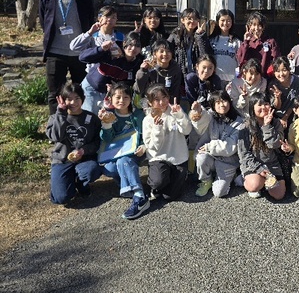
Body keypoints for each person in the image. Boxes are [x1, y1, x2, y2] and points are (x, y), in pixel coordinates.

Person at [39, 0, 95, 114]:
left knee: (81, 90)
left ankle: (80, 121)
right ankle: (57, 122)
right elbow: (45, 23)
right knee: (55, 92)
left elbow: (89, 22)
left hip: (80, 53)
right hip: (55, 52)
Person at [98, 82, 148, 220]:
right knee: (109, 168)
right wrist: (106, 124)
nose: (122, 100)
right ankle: (126, 185)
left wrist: (144, 146)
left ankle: (139, 196)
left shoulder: (138, 114)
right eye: (118, 97)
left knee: (124, 161)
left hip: (137, 151)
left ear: (131, 99)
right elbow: (107, 139)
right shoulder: (110, 116)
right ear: (111, 99)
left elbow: (147, 133)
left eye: (126, 97)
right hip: (117, 152)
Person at [47, 82, 102, 204]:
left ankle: (80, 183)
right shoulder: (55, 117)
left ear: (83, 98)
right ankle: (66, 183)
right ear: (62, 100)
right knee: (61, 198)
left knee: (93, 169)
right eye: (69, 99)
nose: (73, 102)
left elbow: (97, 142)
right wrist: (61, 113)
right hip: (62, 160)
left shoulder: (92, 118)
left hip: (84, 160)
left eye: (77, 98)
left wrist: (84, 151)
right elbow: (56, 137)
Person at [190, 90, 244, 198]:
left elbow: (231, 146)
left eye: (224, 101)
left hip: (227, 161)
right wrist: (199, 113)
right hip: (211, 156)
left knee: (219, 193)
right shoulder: (210, 115)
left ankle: (232, 174)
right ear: (213, 105)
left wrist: (209, 146)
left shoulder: (239, 122)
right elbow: (201, 125)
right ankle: (206, 180)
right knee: (201, 158)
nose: (222, 105)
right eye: (218, 102)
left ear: (229, 102)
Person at [142, 85, 191, 201]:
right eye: (156, 99)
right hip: (158, 157)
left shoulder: (176, 111)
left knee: (170, 196)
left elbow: (187, 131)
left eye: (164, 97)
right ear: (150, 103)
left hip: (178, 157)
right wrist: (157, 128)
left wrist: (180, 115)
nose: (162, 102)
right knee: (158, 183)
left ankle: (171, 178)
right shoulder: (148, 120)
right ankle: (154, 184)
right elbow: (153, 147)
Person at [79, 31, 143, 114]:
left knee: (108, 118)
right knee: (90, 115)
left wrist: (115, 87)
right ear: (124, 43)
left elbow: (130, 82)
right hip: (92, 88)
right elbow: (82, 58)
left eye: (137, 46)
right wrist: (101, 49)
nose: (133, 48)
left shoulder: (138, 62)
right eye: (130, 44)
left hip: (112, 94)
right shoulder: (113, 49)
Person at [237, 92, 286, 200]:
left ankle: (263, 183)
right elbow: (244, 154)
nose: (263, 107)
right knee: (254, 185)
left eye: (266, 104)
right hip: (253, 164)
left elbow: (274, 145)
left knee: (279, 195)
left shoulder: (276, 123)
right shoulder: (245, 126)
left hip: (272, 164)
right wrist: (259, 169)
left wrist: (266, 126)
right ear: (252, 108)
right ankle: (248, 179)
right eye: (259, 105)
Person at [168, 8, 214, 81]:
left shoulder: (202, 35)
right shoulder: (175, 35)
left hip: (197, 74)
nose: (192, 21)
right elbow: (168, 50)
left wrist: (200, 36)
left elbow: (205, 54)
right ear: (182, 20)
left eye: (195, 19)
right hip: (179, 74)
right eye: (189, 18)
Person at [134, 39, 182, 104]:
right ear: (154, 54)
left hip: (168, 104)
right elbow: (138, 90)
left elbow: (175, 92)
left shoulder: (176, 69)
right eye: (161, 51)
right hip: (150, 104)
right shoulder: (149, 68)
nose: (165, 54)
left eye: (168, 51)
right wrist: (142, 71)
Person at [236, 11, 281, 77]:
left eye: (259, 25)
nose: (256, 28)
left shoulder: (271, 42)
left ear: (263, 27)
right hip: (250, 78)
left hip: (266, 78)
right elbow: (241, 60)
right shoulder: (247, 42)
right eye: (254, 25)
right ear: (249, 26)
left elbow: (276, 61)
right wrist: (246, 42)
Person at [268, 57, 299, 129]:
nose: (281, 74)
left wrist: (285, 118)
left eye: (284, 70)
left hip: (292, 114)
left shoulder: (296, 81)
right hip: (276, 116)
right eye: (278, 71)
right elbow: (277, 107)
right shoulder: (272, 85)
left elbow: (295, 103)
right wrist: (277, 97)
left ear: (289, 69)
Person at [209, 9, 241, 83]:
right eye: (222, 20)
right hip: (215, 79)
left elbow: (239, 62)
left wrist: (238, 78)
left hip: (232, 80)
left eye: (228, 21)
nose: (225, 23)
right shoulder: (212, 40)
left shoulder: (237, 41)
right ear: (218, 21)